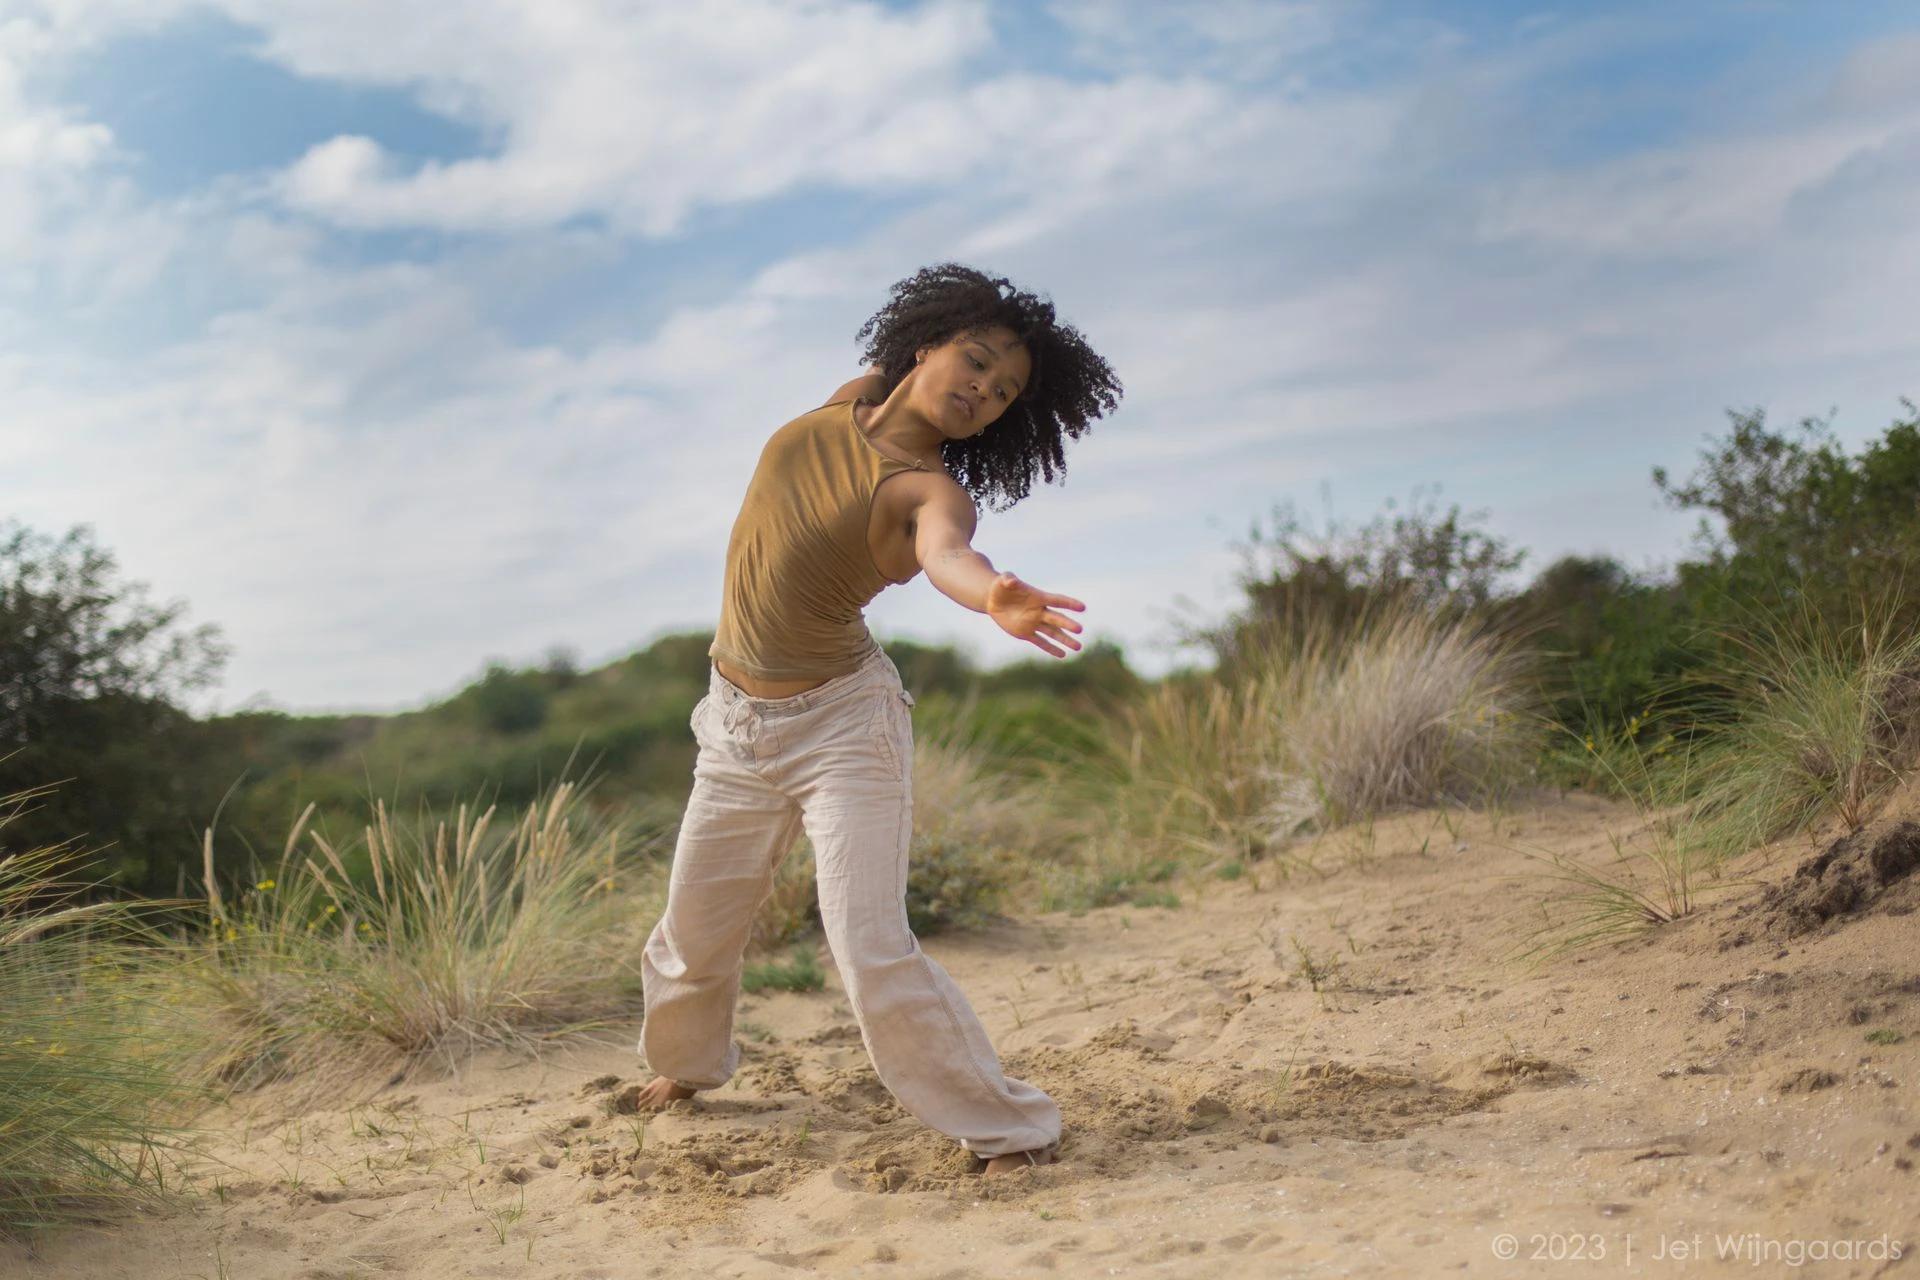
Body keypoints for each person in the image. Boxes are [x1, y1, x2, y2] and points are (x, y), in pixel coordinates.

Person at [633, 262, 1123, 1175]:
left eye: (1004, 392)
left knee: (868, 945)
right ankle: (687, 1067)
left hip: (841, 731)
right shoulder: (846, 401)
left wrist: (992, 598)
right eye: (975, 362)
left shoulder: (929, 492)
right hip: (732, 726)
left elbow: (946, 554)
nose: (984, 390)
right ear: (923, 343)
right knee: (694, 932)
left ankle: (1011, 1126)